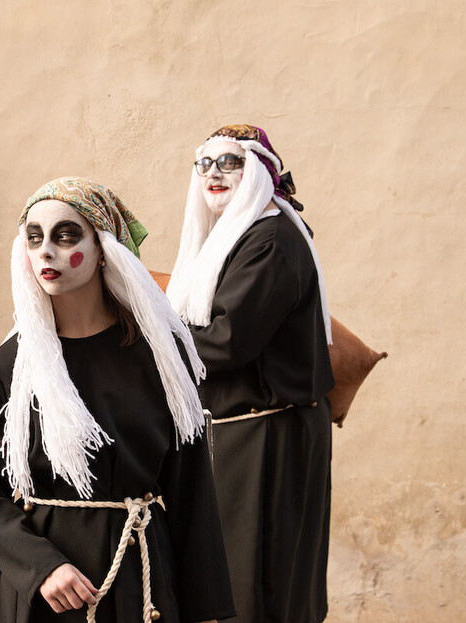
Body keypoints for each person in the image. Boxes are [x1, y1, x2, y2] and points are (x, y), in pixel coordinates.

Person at [0, 177, 235, 623]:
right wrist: (40, 567)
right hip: (43, 596)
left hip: (138, 581)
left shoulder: (160, 357)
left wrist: (207, 608)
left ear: (104, 247)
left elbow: (191, 489)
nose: (45, 250)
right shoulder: (9, 368)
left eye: (65, 236)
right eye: (34, 238)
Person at [166, 125, 335, 623]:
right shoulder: (240, 237)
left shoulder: (271, 241)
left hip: (270, 435)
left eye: (230, 163)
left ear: (259, 174)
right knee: (235, 581)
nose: (213, 174)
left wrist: (146, 343)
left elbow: (226, 341)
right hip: (246, 430)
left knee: (260, 584)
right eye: (204, 164)